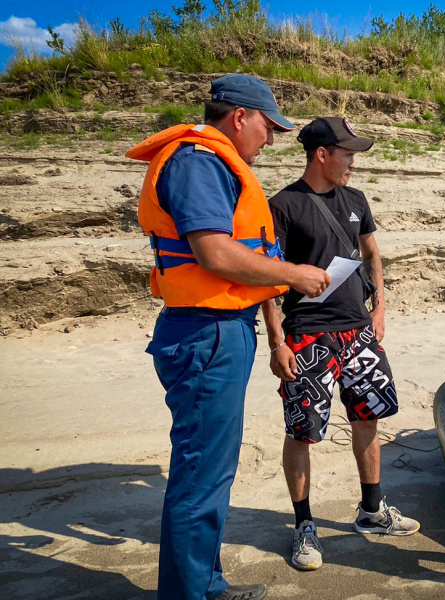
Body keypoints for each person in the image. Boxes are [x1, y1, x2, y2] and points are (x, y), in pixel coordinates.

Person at [127, 74, 330, 600]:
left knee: (209, 471)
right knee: (201, 475)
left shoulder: (212, 162)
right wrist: (294, 275)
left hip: (217, 331)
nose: (270, 139)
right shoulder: (198, 161)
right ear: (240, 116)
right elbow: (215, 254)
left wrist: (274, 314)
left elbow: (236, 255)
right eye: (268, 127)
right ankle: (195, 594)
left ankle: (202, 586)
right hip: (205, 335)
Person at [263, 116, 420, 571]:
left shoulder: (355, 199)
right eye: (347, 153)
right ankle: (304, 526)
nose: (353, 162)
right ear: (321, 154)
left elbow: (371, 253)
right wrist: (277, 342)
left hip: (359, 329)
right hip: (307, 334)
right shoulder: (284, 206)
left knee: (369, 417)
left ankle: (371, 512)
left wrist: (380, 310)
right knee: (302, 430)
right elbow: (270, 281)